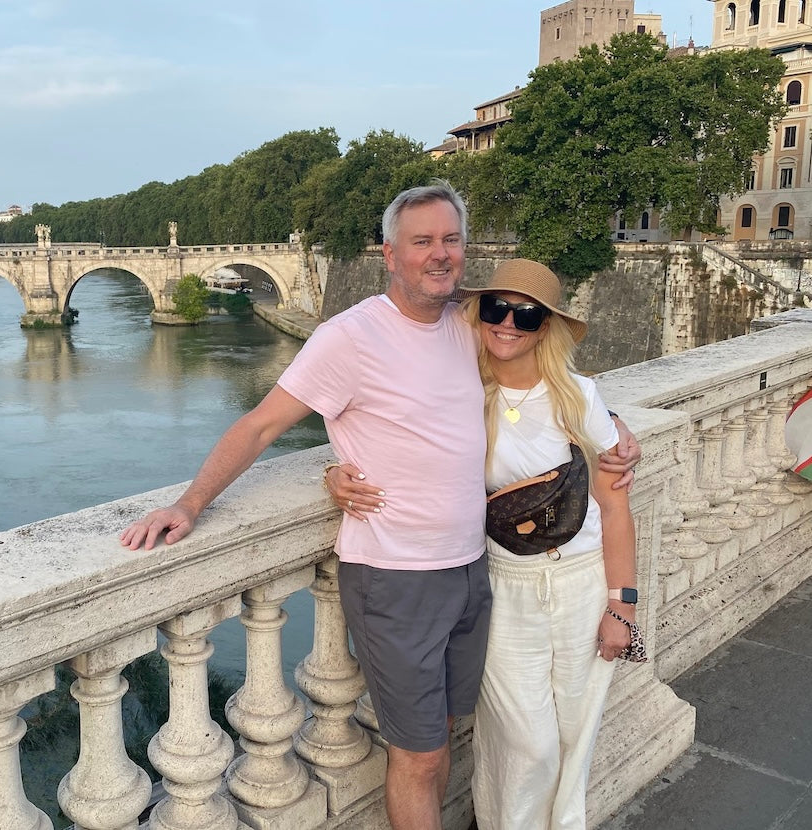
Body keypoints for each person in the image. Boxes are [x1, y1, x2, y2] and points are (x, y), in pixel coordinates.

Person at [121, 182, 638, 830]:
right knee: (418, 757)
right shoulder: (349, 337)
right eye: (421, 241)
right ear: (389, 254)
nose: (439, 254)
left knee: (444, 738)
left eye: (450, 239)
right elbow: (259, 425)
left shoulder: (470, 325)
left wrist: (610, 424)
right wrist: (191, 502)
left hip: (472, 574)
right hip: (394, 580)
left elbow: (535, 383)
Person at [327, 258, 638, 830]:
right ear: (479, 314)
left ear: (546, 327)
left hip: (582, 579)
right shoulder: (462, 392)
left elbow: (615, 505)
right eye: (498, 309)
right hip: (504, 582)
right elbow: (390, 433)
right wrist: (334, 470)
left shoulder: (580, 398)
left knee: (577, 730)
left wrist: (623, 603)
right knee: (528, 741)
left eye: (528, 315)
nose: (509, 325)